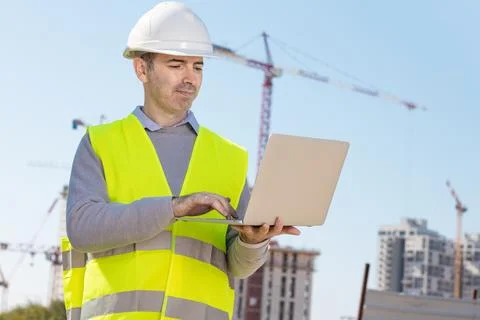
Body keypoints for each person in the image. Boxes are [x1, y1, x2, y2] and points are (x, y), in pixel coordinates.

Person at [62, 2, 300, 320]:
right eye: (176, 65)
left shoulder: (229, 157)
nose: (190, 78)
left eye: (198, 67)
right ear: (142, 69)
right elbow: (83, 229)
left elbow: (238, 267)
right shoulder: (101, 143)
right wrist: (174, 208)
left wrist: (252, 242)